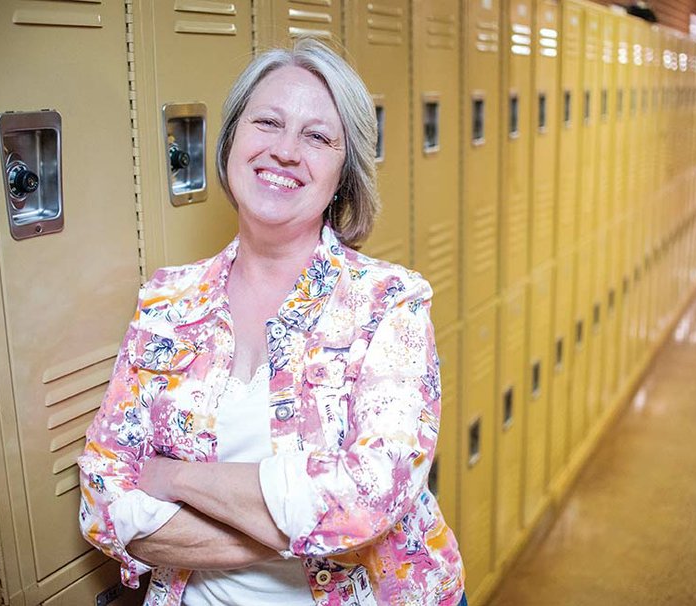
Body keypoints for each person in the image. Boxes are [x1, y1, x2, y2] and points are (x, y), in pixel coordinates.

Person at [77, 37, 466, 606]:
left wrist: (176, 479)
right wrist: (303, 525)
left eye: (317, 136)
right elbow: (102, 498)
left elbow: (372, 497)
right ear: (232, 139)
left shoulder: (389, 303)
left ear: (344, 171)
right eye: (267, 122)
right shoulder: (167, 303)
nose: (285, 151)